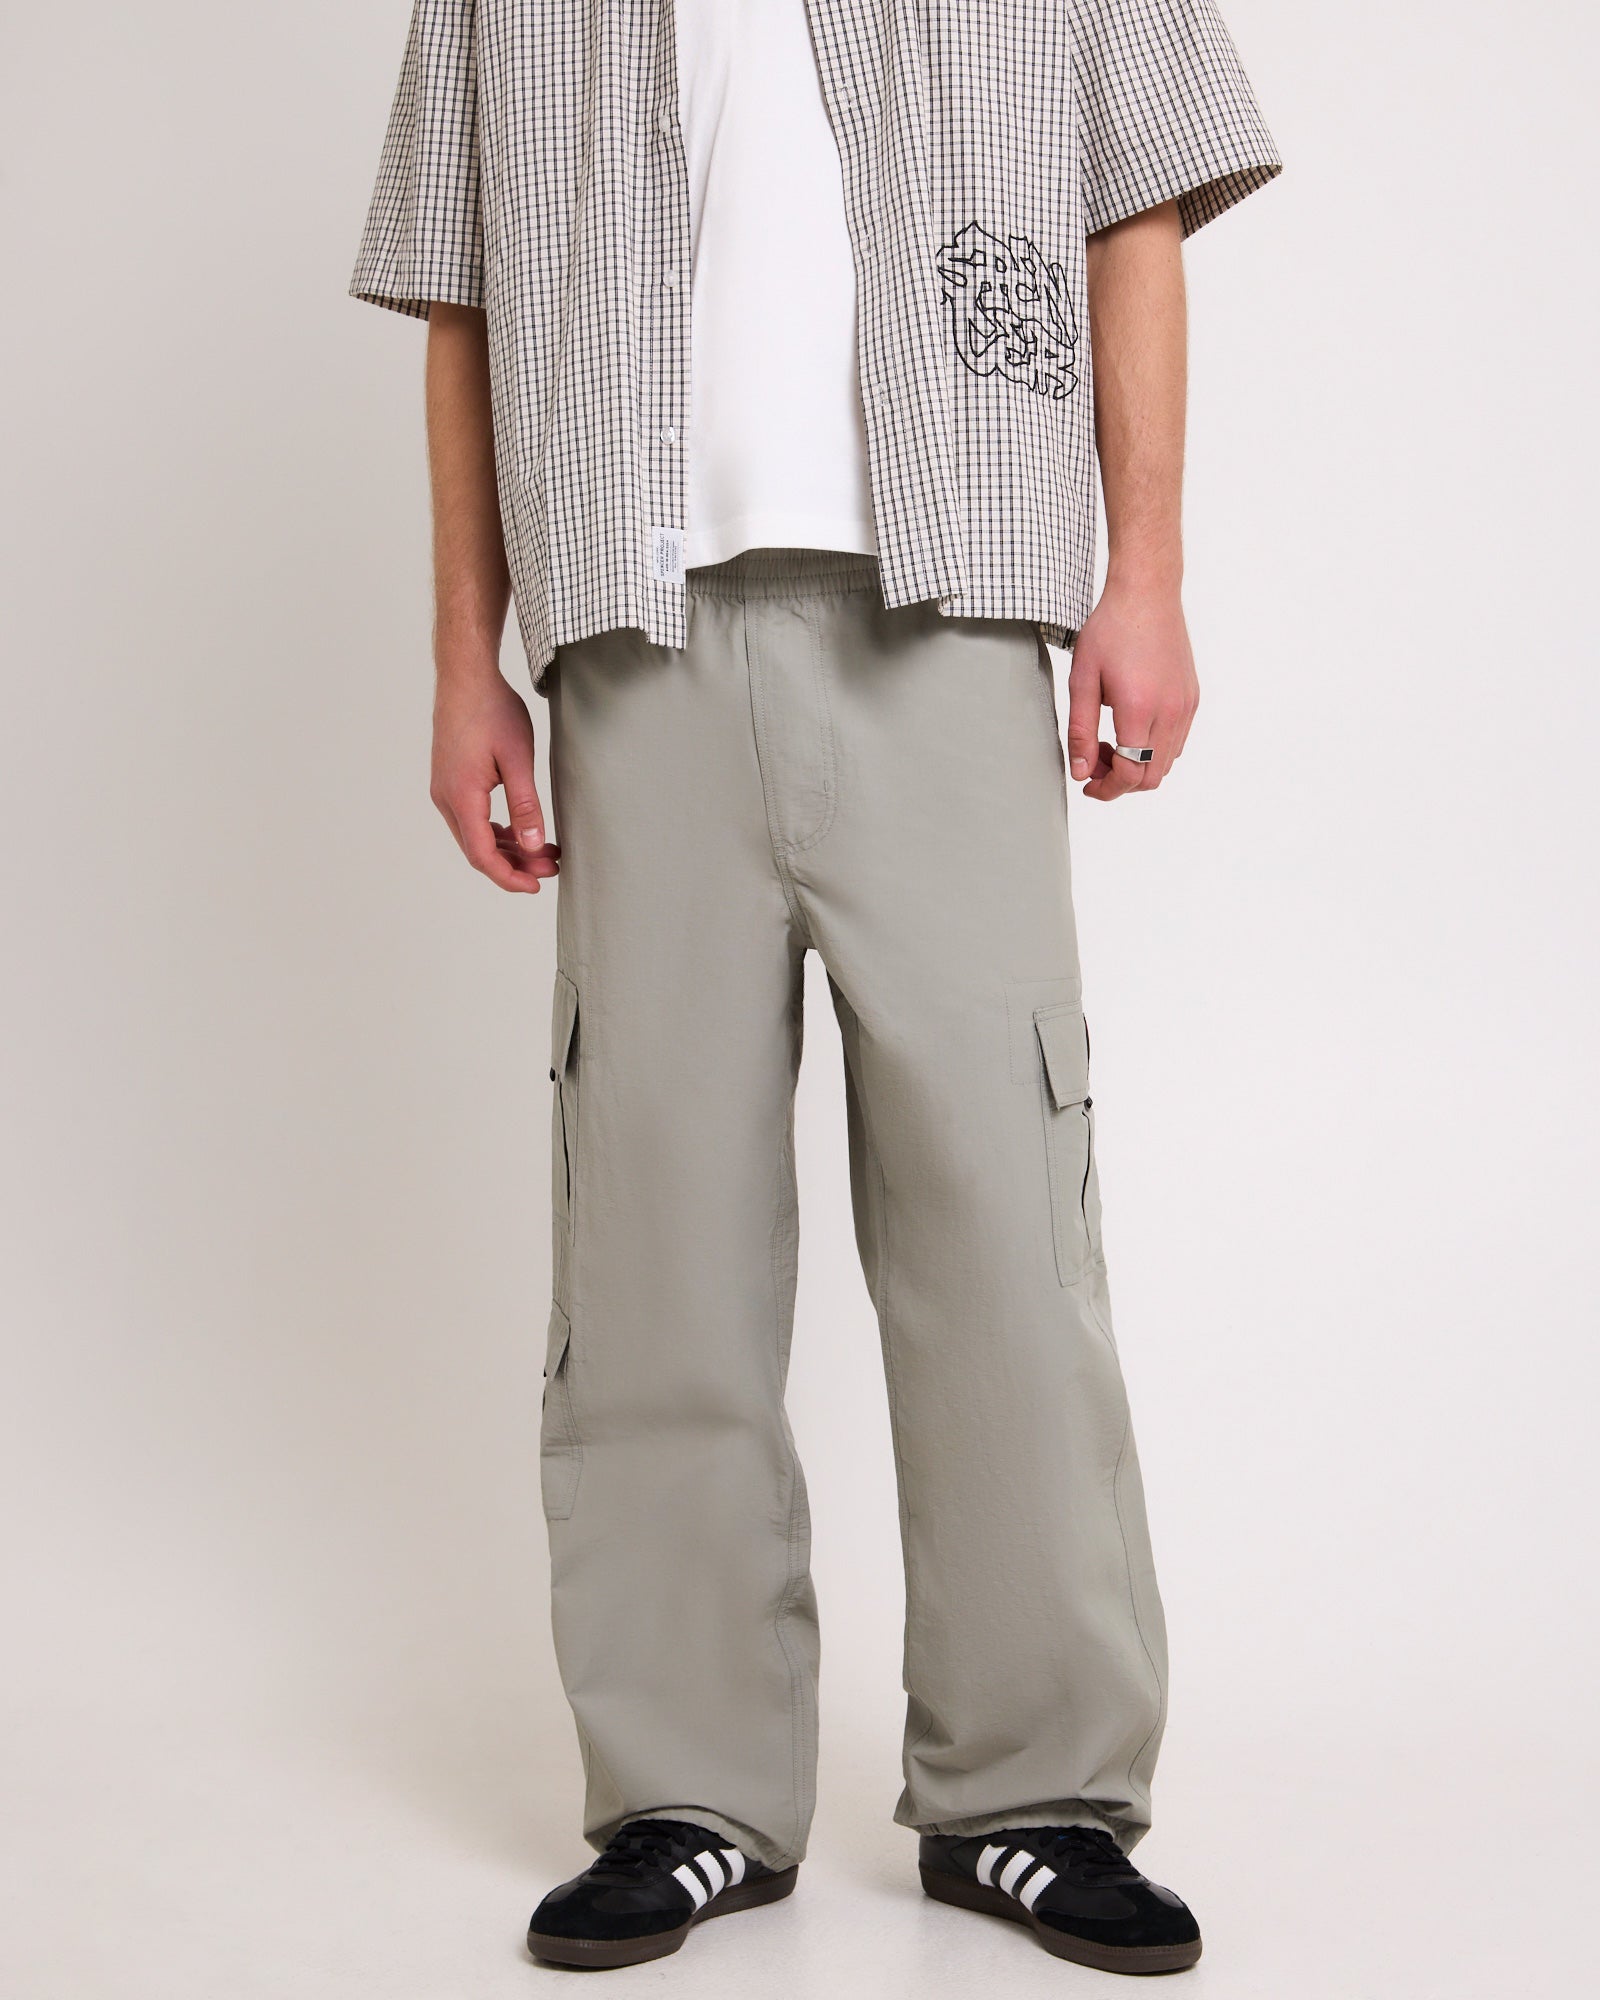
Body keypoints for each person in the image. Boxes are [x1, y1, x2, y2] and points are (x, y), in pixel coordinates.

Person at [349, 0, 1279, 1975]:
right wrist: (460, 664)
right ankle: (686, 1790)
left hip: (948, 612)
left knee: (1001, 1220)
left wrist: (1146, 573)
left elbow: (1134, 201)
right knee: (653, 1237)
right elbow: (463, 292)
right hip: (634, 631)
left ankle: (1032, 1793)